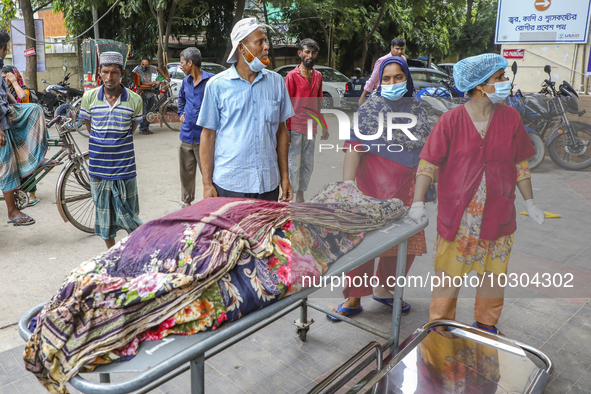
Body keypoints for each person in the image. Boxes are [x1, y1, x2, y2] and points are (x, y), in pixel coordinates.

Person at [409, 53, 545, 334]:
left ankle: (486, 322)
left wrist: (530, 202)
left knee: (494, 273)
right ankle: (440, 323)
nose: (506, 82)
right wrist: (417, 202)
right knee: (449, 274)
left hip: (498, 213)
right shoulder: (450, 120)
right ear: (481, 85)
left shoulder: (510, 118)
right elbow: (427, 163)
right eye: (500, 78)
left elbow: (520, 164)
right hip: (459, 217)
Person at [328, 57, 430, 321]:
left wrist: (421, 197)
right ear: (378, 82)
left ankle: (385, 291)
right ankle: (353, 297)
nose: (392, 83)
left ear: (407, 79)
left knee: (400, 247)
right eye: (386, 79)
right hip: (369, 191)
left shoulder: (418, 111)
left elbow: (427, 157)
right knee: (362, 246)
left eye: (398, 77)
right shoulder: (369, 110)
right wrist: (348, 187)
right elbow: (353, 148)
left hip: (404, 192)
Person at [197, 18, 294, 202]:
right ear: (242, 48)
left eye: (265, 41)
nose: (266, 47)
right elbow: (208, 135)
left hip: (268, 184)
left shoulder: (276, 83)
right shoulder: (217, 86)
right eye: (260, 42)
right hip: (230, 184)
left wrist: (285, 178)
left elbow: (282, 132)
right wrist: (207, 184)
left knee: (266, 231)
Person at [80, 52, 144, 248]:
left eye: (114, 72)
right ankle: (113, 254)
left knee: (130, 218)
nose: (109, 78)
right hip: (99, 169)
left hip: (125, 168)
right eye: (105, 72)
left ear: (122, 73)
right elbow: (90, 127)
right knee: (105, 218)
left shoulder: (134, 100)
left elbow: (131, 130)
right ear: (99, 72)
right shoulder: (89, 98)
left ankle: (134, 251)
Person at [0, 29, 57, 226]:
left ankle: (36, 157)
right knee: (6, 162)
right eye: (4, 47)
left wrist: (13, 100)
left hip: (5, 113)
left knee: (34, 109)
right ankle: (12, 211)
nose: (5, 50)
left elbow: (13, 95)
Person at [285, 38, 328, 203]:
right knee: (294, 165)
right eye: (307, 52)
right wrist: (285, 130)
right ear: (300, 54)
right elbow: (286, 104)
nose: (310, 55)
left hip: (311, 128)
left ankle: (300, 195)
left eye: (313, 53)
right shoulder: (291, 76)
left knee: (307, 165)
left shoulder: (318, 76)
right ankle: (290, 195)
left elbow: (319, 101)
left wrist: (323, 125)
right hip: (294, 127)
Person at [177, 47, 214, 208]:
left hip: (204, 138)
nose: (181, 66)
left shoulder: (212, 81)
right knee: (186, 172)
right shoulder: (186, 82)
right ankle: (187, 202)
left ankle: (212, 202)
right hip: (186, 135)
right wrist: (181, 113)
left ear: (190, 63)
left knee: (208, 173)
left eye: (182, 63)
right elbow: (181, 99)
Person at [358, 37, 406, 107]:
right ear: (392, 48)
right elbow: (373, 79)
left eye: (402, 49)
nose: (399, 52)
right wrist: (363, 97)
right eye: (397, 49)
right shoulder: (382, 61)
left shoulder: (403, 59)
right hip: (383, 94)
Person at [133, 57, 169, 135]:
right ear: (140, 64)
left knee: (150, 112)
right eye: (142, 64)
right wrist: (154, 82)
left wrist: (165, 76)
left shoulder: (151, 68)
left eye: (146, 65)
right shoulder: (138, 71)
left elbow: (157, 68)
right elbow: (141, 83)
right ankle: (142, 129)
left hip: (151, 93)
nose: (144, 66)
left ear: (149, 65)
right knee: (145, 113)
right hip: (141, 94)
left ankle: (146, 128)